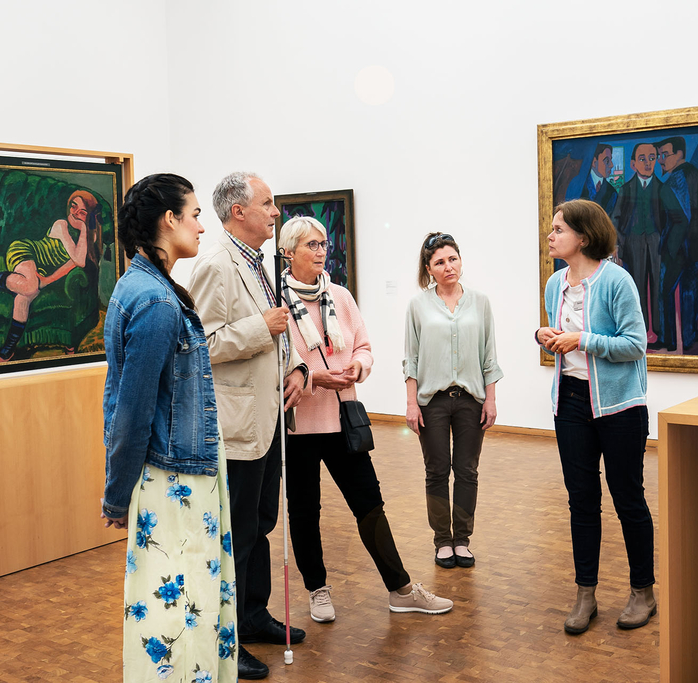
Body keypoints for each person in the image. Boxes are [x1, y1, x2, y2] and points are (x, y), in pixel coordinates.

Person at [278, 216, 453, 623]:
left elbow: (365, 346)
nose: (322, 251)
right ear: (289, 252)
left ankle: (401, 589)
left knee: (370, 505)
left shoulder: (339, 295)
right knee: (305, 511)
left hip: (343, 419)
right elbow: (274, 363)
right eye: (311, 245)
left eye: (324, 244)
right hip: (298, 425)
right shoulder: (276, 301)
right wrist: (311, 377)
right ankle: (316, 589)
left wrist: (359, 365)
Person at [100, 173, 236, 682]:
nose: (203, 225)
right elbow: (130, 411)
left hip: (176, 469)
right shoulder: (156, 302)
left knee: (181, 602)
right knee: (180, 609)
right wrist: (116, 495)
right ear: (169, 220)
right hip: (173, 479)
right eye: (196, 214)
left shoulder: (142, 286)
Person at [187, 172, 308, 681]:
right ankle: (226, 639)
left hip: (267, 417)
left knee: (260, 523)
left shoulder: (258, 263)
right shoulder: (216, 266)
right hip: (237, 427)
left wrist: (295, 368)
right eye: (267, 203)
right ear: (238, 211)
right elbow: (203, 345)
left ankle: (253, 615)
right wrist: (264, 329)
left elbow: (273, 333)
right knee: (236, 532)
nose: (275, 212)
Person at [535, 199, 655, 635]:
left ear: (583, 237)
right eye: (551, 229)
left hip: (620, 405)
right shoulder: (555, 284)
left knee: (627, 498)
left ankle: (643, 590)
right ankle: (586, 592)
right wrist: (544, 335)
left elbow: (634, 345)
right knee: (581, 500)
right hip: (570, 401)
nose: (551, 235)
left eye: (558, 229)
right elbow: (560, 338)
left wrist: (581, 339)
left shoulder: (616, 281)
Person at [403, 232, 503, 569]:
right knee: (436, 471)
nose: (449, 267)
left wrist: (490, 400)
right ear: (429, 269)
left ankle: (462, 539)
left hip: (471, 399)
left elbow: (489, 356)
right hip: (431, 400)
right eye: (440, 262)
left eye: (453, 259)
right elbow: (411, 359)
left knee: (467, 471)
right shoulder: (418, 305)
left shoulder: (480, 302)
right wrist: (411, 403)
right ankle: (442, 541)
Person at [0, 189, 101, 362]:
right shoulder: (61, 224)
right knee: (30, 287)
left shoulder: (90, 238)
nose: (74, 213)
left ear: (89, 216)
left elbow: (72, 265)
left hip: (41, 270)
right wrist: (83, 228)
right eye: (73, 207)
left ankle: (8, 350)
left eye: (82, 212)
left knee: (25, 296)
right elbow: (80, 260)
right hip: (26, 251)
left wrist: (46, 281)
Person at [656, 135, 698, 352]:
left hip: (675, 245)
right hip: (692, 246)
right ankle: (687, 337)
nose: (660, 160)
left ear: (679, 154)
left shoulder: (674, 180)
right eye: (659, 156)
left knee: (667, 291)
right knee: (689, 291)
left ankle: (669, 339)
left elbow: (685, 217)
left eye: (664, 155)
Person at [612, 142, 663, 346]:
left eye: (652, 157)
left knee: (657, 285)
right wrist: (616, 245)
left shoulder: (661, 188)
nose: (647, 162)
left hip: (656, 240)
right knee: (637, 286)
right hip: (632, 241)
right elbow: (615, 217)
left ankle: (658, 330)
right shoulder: (625, 189)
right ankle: (639, 331)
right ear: (633, 164)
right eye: (642, 158)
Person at [579, 143, 619, 216]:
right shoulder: (579, 185)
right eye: (607, 161)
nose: (611, 165)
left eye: (611, 160)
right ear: (594, 162)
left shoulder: (612, 192)